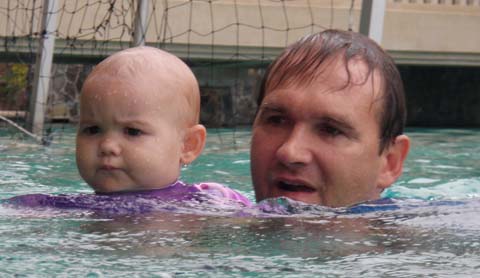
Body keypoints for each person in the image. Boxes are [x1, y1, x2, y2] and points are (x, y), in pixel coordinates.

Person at [7, 47, 251, 213]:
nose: (107, 146)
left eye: (132, 132)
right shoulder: (66, 206)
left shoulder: (210, 201)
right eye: (92, 129)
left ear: (188, 145)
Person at [250, 29, 410, 208]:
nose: (290, 152)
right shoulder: (220, 210)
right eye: (276, 120)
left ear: (390, 163)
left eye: (331, 130)